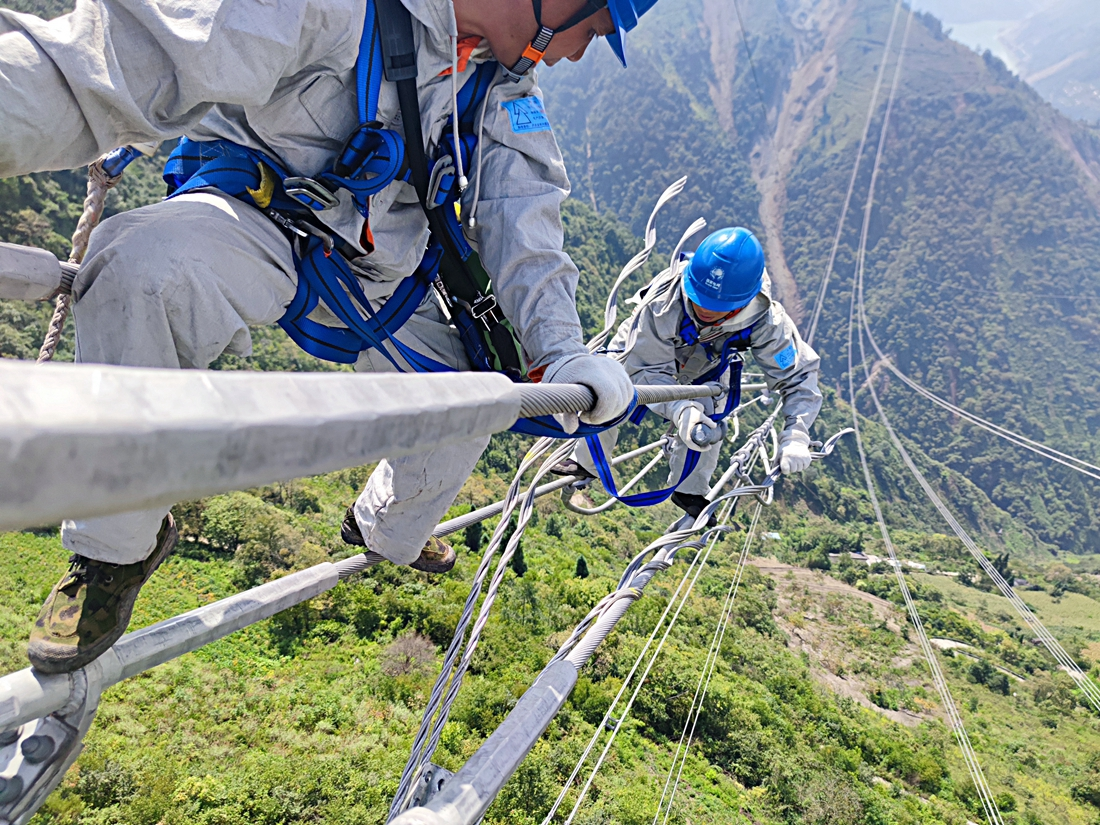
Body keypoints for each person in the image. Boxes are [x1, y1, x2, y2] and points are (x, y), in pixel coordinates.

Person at [0, 0, 664, 673]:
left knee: (476, 400)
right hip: (252, 221)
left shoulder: (501, 82)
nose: (577, 52)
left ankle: (385, 527)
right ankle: (116, 549)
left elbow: (525, 221)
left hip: (378, 274)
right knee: (135, 268)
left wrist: (562, 350)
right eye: (593, 27)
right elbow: (115, 64)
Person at [553, 227, 822, 520]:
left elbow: (797, 377)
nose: (704, 309)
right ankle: (586, 462)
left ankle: (689, 490)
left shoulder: (766, 321)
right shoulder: (663, 300)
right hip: (644, 348)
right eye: (699, 298)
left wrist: (796, 433)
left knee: (708, 421)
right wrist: (680, 410)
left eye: (717, 306)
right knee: (610, 389)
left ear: (743, 303)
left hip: (709, 362)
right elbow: (645, 371)